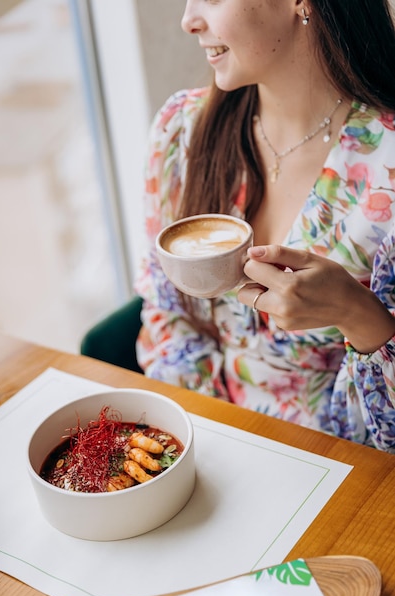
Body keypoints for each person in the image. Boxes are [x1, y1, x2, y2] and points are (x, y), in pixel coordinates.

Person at [134, 0, 395, 452]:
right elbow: (167, 317)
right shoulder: (182, 132)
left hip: (349, 477)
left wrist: (359, 315)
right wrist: (199, 444)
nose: (188, 20)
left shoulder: (385, 172)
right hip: (209, 448)